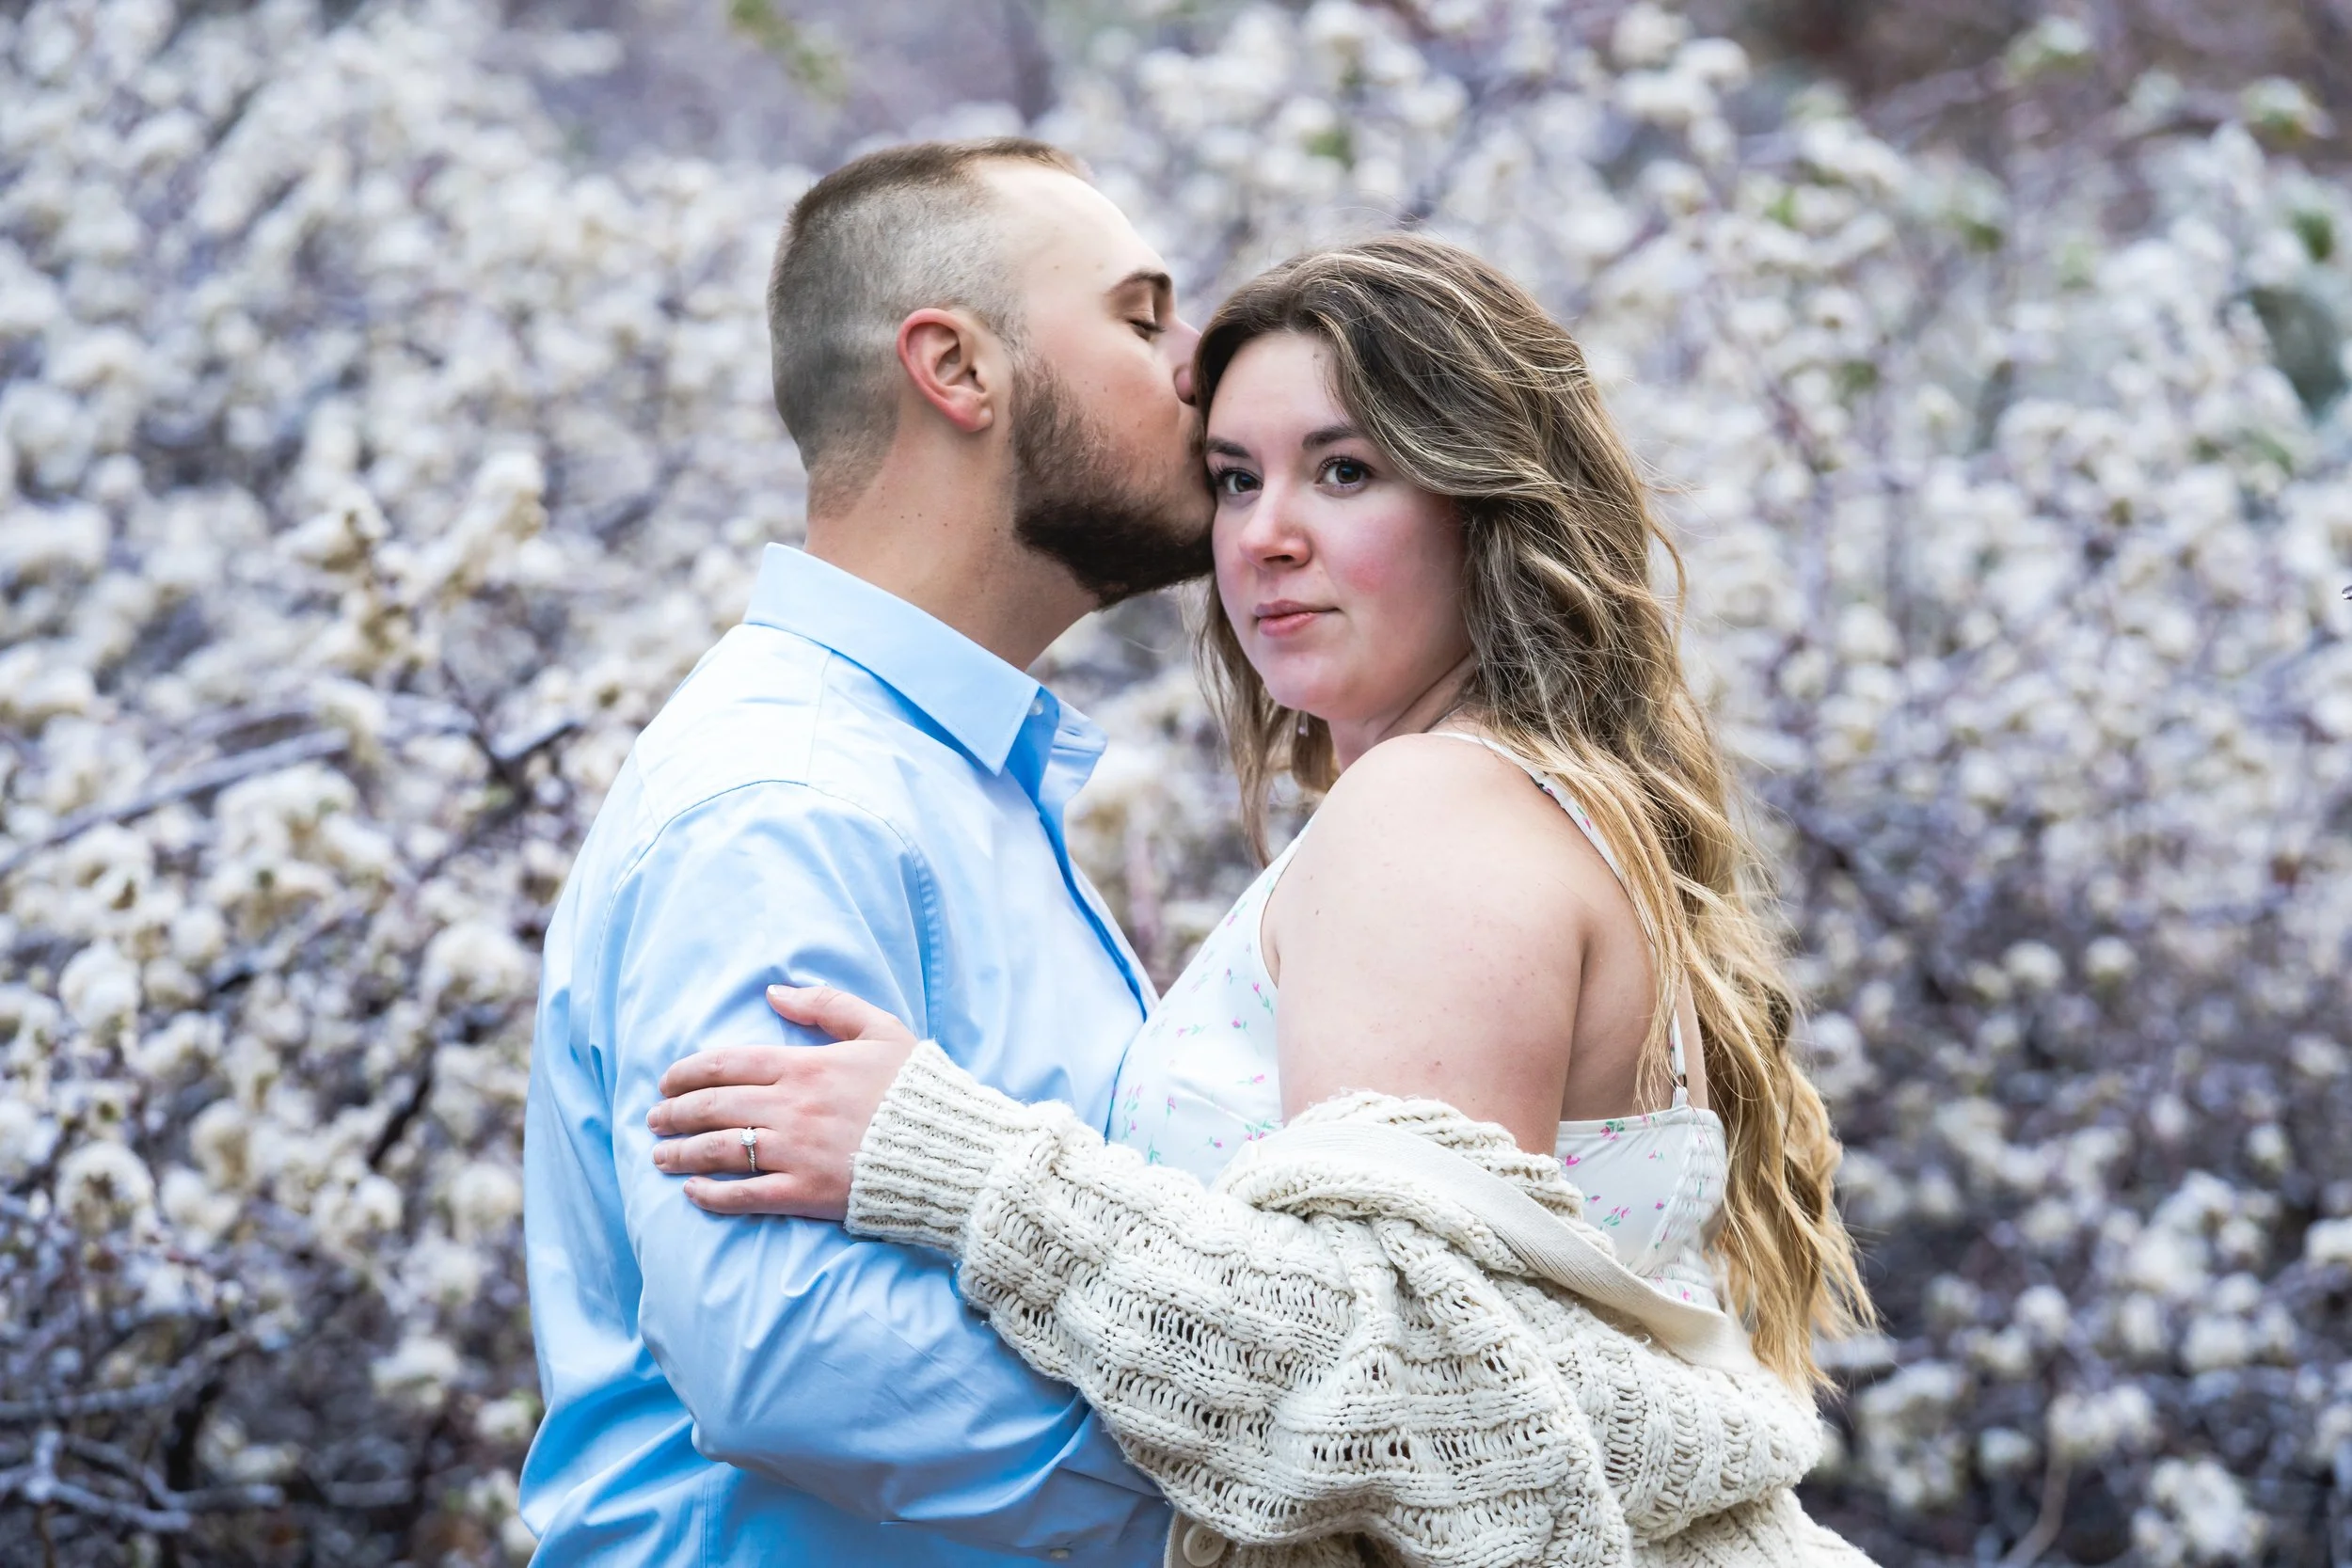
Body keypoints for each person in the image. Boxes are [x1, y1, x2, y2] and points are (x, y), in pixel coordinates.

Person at [645, 235, 1878, 1562]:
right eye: (1234, 480)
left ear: (1488, 500)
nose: (1267, 536)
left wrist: (964, 1167)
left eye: (1345, 471)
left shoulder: (1430, 811)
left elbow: (1418, 1396)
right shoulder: (1514, 801)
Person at [518, 138, 1219, 1566]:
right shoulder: (789, 801)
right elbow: (788, 1347)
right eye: (1143, 319)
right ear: (956, 367)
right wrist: (1253, 1470)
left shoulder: (943, 781)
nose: (1196, 369)